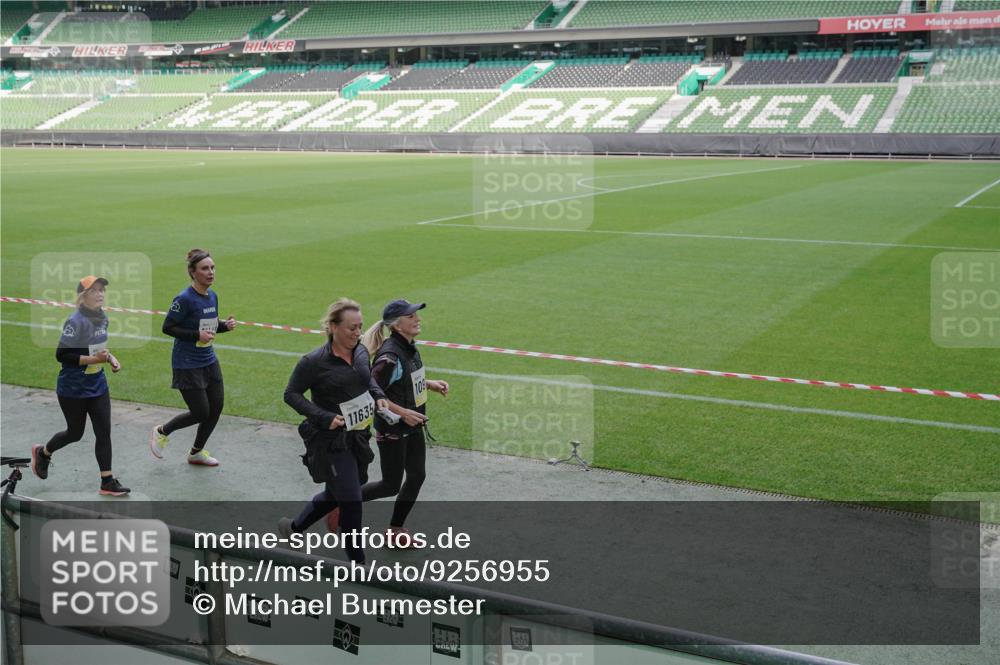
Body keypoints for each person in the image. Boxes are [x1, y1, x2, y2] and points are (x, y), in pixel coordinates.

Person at [278, 298, 388, 563]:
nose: (357, 333)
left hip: (358, 437)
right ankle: (358, 565)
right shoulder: (313, 362)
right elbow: (291, 394)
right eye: (351, 327)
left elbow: (367, 380)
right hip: (330, 442)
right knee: (351, 500)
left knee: (336, 493)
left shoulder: (361, 351)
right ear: (332, 326)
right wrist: (324, 416)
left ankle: (292, 528)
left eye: (360, 327)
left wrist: (378, 395)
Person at [360, 299, 449, 547]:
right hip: (393, 429)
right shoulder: (388, 357)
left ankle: (395, 531)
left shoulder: (408, 347)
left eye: (416, 314)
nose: (417, 319)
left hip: (412, 425)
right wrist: (403, 413)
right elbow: (371, 393)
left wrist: (429, 384)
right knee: (390, 485)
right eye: (411, 316)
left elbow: (406, 378)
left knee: (417, 475)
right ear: (397, 325)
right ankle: (338, 500)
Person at [31, 275, 129, 496]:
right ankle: (44, 453)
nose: (100, 294)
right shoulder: (75, 321)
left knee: (104, 432)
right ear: (83, 297)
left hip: (98, 385)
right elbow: (62, 355)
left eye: (102, 290)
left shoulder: (103, 317)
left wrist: (110, 358)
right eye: (94, 291)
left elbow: (97, 349)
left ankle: (107, 481)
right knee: (75, 433)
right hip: (73, 388)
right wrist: (95, 360)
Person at [150, 249, 236, 466]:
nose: (211, 272)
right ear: (192, 272)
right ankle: (162, 431)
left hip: (208, 360)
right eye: (205, 268)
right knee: (200, 412)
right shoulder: (184, 299)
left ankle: (196, 452)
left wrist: (225, 326)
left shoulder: (212, 296)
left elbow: (210, 326)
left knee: (216, 408)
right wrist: (196, 335)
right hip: (186, 363)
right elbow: (168, 327)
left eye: (213, 268)